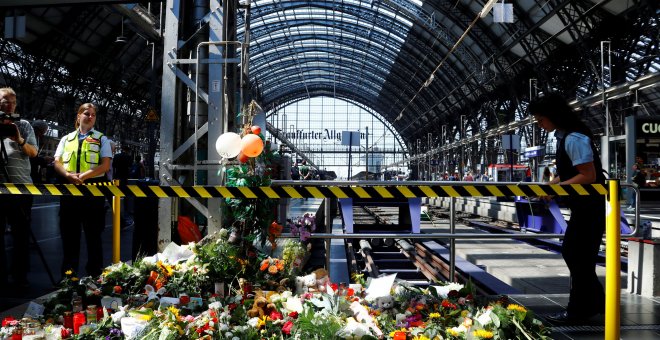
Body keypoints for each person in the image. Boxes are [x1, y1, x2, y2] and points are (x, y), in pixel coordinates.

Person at [529, 92, 606, 324]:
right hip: (583, 208)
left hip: (590, 208)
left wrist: (557, 188)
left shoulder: (574, 138)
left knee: (576, 255)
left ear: (554, 116)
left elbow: (588, 175)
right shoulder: (567, 137)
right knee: (578, 256)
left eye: (541, 119)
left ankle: (580, 310)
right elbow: (571, 172)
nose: (539, 124)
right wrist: (553, 185)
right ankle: (594, 305)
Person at [54, 103, 112, 278]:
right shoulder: (66, 139)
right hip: (70, 194)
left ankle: (95, 275)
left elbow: (105, 165)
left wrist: (84, 176)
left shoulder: (102, 139)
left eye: (93, 114)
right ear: (78, 116)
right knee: (69, 237)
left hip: (92, 195)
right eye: (86, 113)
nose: (90, 117)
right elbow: (57, 162)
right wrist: (68, 175)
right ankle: (69, 276)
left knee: (93, 236)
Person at [0, 87, 38, 291]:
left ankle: (20, 276)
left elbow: (33, 152)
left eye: (13, 102)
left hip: (21, 189)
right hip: (0, 190)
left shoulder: (23, 125)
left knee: (21, 236)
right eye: (5, 101)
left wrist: (19, 139)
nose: (10, 105)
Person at [112, 144, 133, 228]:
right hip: (125, 177)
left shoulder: (116, 156)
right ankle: (127, 210)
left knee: (116, 196)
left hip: (117, 177)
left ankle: (117, 210)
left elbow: (113, 166)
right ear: (127, 150)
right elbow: (130, 166)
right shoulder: (128, 157)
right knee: (126, 195)